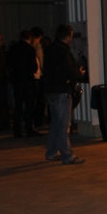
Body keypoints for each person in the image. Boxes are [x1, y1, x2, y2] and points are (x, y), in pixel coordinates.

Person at [41, 24, 84, 164]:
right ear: (69, 35)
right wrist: (79, 73)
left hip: (51, 90)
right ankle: (67, 154)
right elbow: (68, 70)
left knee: (56, 123)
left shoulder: (50, 49)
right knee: (63, 125)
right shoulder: (63, 51)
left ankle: (52, 152)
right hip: (61, 90)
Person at [7, 30, 42, 137]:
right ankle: (28, 128)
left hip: (17, 81)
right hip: (28, 81)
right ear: (30, 38)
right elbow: (34, 67)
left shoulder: (14, 48)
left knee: (18, 106)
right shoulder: (30, 49)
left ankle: (17, 129)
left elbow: (9, 64)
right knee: (29, 106)